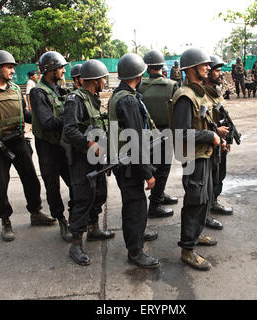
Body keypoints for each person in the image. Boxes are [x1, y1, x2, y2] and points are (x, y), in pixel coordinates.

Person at [0, 50, 56, 242]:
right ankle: (5, 220)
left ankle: (36, 212)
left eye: (13, 67)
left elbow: (25, 114)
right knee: (1, 185)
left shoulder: (15, 89)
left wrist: (47, 120)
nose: (13, 71)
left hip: (19, 141)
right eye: (9, 67)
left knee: (31, 179)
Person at [169, 48, 222, 271]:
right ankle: (187, 250)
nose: (208, 68)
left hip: (205, 154)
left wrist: (217, 131)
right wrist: (210, 136)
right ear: (191, 69)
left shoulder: (198, 93)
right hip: (194, 158)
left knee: (204, 199)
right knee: (195, 202)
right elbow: (180, 133)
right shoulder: (184, 96)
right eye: (204, 65)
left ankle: (196, 235)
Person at [108, 53, 160, 269]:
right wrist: (147, 173)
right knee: (135, 205)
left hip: (124, 160)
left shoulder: (118, 94)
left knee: (134, 203)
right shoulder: (128, 100)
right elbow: (135, 140)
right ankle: (135, 251)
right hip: (129, 163)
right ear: (139, 75)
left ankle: (139, 233)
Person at [62, 59, 115, 266]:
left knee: (99, 193)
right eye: (103, 79)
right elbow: (70, 129)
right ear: (95, 80)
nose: (104, 82)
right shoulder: (75, 100)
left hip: (97, 158)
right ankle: (76, 244)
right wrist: (89, 143)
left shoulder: (91, 97)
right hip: (82, 159)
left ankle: (94, 229)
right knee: (83, 198)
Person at [30, 51, 74, 242]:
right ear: (50, 70)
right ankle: (61, 219)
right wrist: (69, 118)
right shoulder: (38, 92)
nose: (63, 71)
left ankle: (75, 217)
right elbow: (47, 123)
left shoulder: (57, 88)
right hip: (47, 146)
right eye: (60, 67)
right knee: (53, 187)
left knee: (74, 181)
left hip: (62, 144)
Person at [137, 50, 179, 219]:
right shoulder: (172, 85)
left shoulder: (139, 85)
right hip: (165, 132)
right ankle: (155, 205)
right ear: (162, 66)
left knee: (153, 166)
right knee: (163, 168)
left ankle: (159, 194)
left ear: (147, 68)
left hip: (144, 132)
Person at [203, 55, 233, 230]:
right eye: (217, 70)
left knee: (219, 175)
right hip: (208, 144)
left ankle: (213, 202)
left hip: (220, 142)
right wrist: (216, 135)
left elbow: (224, 118)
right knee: (207, 180)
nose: (219, 73)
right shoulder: (201, 93)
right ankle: (204, 213)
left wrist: (227, 139)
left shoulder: (216, 91)